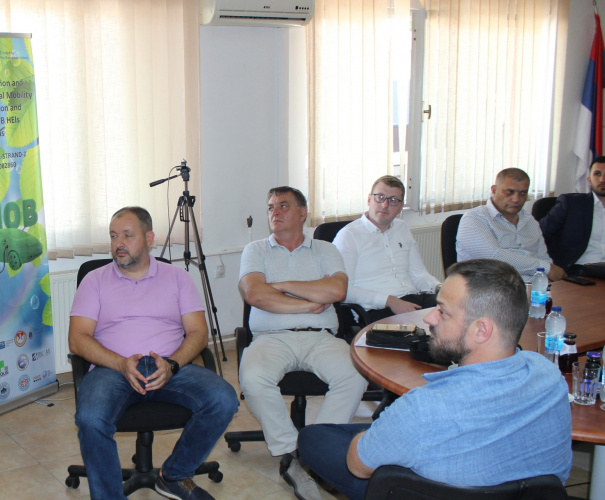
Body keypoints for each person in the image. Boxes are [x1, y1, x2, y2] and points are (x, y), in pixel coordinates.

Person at [296, 259, 572, 500]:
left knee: (315, 437)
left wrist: (383, 435)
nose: (429, 318)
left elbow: (358, 466)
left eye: (442, 311)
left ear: (482, 330)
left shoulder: (424, 408)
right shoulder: (550, 376)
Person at [69, 207, 239, 500]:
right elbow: (77, 339)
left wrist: (173, 364)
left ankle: (174, 475)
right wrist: (120, 364)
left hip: (170, 366)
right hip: (113, 369)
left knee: (224, 399)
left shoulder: (178, 278)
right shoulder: (94, 280)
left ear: (149, 239)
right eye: (113, 236)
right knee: (90, 418)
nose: (118, 243)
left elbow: (198, 332)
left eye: (127, 235)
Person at [238, 187, 368, 500]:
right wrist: (308, 303)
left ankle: (316, 449)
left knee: (355, 375)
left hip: (320, 336)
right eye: (271, 207)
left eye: (283, 206)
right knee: (252, 378)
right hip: (271, 338)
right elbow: (255, 294)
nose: (275, 212)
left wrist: (280, 287)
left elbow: (336, 291)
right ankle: (291, 453)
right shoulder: (256, 250)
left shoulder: (325, 249)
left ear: (302, 213)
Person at [333, 176, 441, 323]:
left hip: (414, 301)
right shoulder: (348, 235)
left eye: (393, 200)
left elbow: (419, 274)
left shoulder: (402, 228)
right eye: (380, 197)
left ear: (401, 206)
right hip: (377, 310)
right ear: (369, 199)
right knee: (428, 331)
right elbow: (344, 290)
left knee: (458, 311)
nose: (385, 205)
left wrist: (439, 288)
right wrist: (390, 301)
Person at [456, 168, 565, 282]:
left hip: (534, 287)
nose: (516, 199)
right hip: (490, 287)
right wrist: (545, 268)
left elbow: (544, 258)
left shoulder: (529, 221)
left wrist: (547, 274)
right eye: (509, 192)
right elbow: (494, 258)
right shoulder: (474, 219)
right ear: (494, 190)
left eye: (522, 193)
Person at [540, 156, 605, 275]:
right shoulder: (571, 204)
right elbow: (538, 234)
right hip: (579, 271)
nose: (602, 179)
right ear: (589, 179)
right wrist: (547, 265)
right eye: (597, 174)